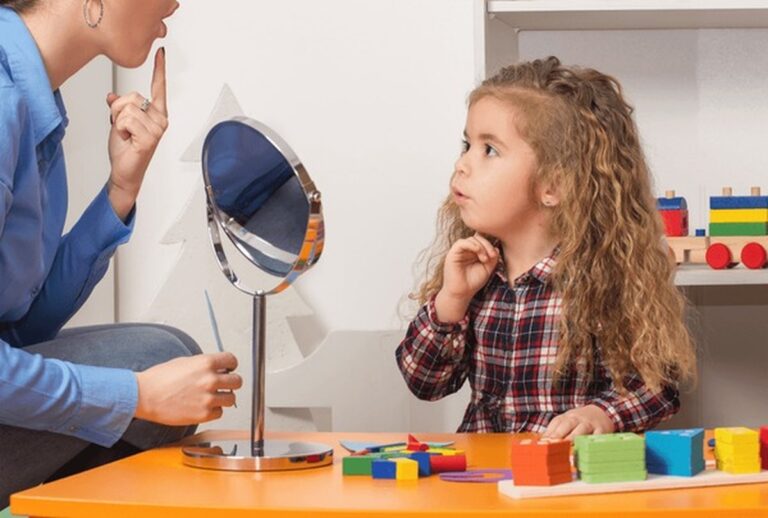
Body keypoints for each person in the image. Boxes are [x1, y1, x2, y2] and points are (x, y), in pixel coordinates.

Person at [0, 0, 241, 504]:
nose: (176, 3)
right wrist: (139, 395)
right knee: (158, 361)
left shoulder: (34, 100)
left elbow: (22, 326)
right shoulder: (3, 103)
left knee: (167, 349)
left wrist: (120, 188)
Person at [396, 56, 696, 440]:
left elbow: (658, 386)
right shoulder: (472, 276)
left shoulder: (603, 277)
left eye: (489, 150)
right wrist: (451, 300)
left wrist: (602, 414)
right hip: (486, 481)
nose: (462, 164)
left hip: (570, 483)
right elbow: (424, 382)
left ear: (554, 185)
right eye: (467, 145)